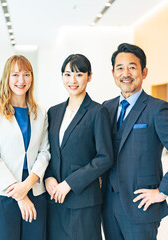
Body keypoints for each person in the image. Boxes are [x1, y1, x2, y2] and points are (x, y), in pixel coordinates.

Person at [101, 43, 168, 240]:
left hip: (141, 205)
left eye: (132, 67)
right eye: (120, 68)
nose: (126, 73)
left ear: (144, 72)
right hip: (108, 205)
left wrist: (162, 191)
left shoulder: (157, 109)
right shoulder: (106, 108)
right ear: (113, 73)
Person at [45, 54, 114, 240]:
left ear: (89, 76)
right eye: (67, 74)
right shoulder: (54, 111)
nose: (72, 80)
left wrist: (69, 184)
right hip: (54, 199)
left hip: (82, 200)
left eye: (79, 74)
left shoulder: (97, 112)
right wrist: (49, 176)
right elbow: (48, 151)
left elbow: (104, 157)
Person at [0, 55, 50, 240]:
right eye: (15, 75)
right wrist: (19, 194)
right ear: (7, 78)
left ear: (32, 78)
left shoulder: (40, 111)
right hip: (1, 195)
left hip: (34, 192)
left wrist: (28, 185)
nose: (21, 80)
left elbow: (45, 152)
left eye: (26, 74)